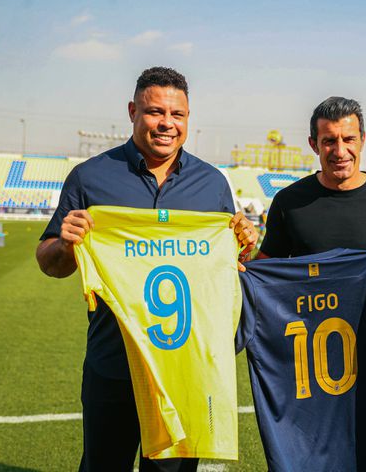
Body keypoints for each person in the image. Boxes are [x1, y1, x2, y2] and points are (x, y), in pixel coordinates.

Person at [36, 66, 257, 472]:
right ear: (132, 111)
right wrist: (66, 244)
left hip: (185, 370)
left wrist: (244, 243)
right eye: (155, 112)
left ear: (188, 118)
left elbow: (231, 268)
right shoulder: (90, 177)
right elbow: (50, 262)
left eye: (177, 114)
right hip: (113, 363)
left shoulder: (212, 184)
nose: (167, 123)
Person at [257, 96, 366, 290]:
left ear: (362, 140)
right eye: (329, 141)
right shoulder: (288, 202)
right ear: (314, 145)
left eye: (349, 139)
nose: (340, 151)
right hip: (306, 311)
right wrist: (242, 252)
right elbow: (262, 273)